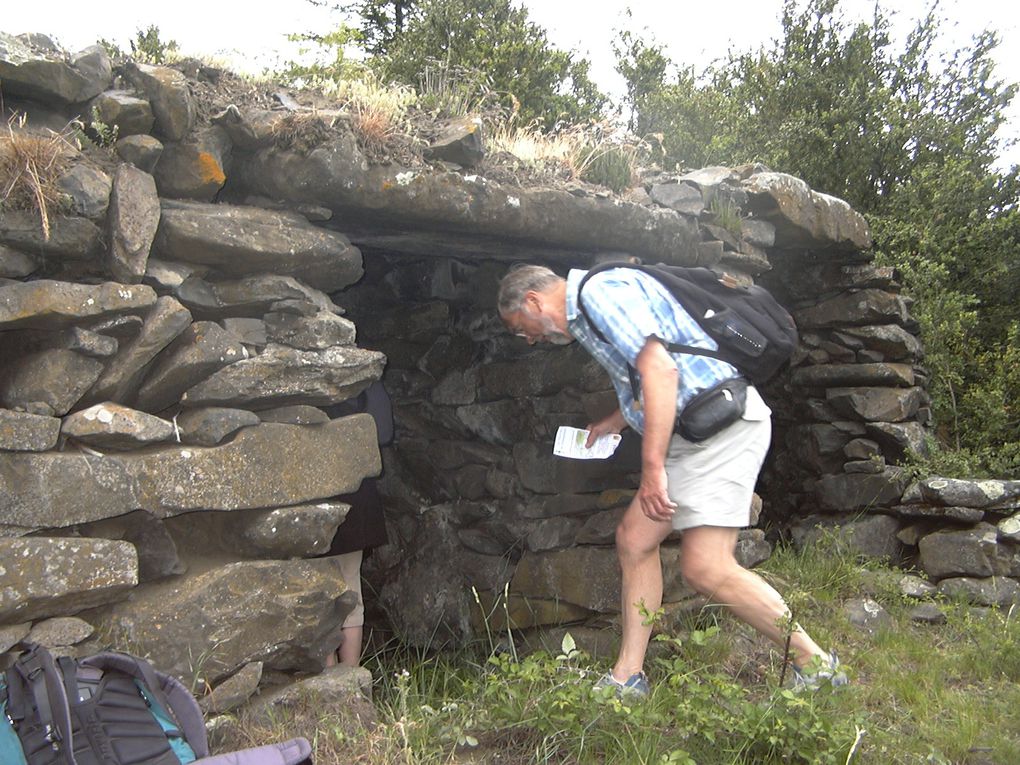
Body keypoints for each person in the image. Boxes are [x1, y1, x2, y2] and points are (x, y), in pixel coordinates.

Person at [496, 263, 846, 696]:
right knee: (634, 539)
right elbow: (665, 367)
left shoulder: (602, 294)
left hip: (723, 431)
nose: (529, 339)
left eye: (521, 329)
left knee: (705, 567)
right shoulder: (591, 309)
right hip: (699, 431)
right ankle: (629, 678)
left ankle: (816, 664)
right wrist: (617, 421)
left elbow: (662, 372)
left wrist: (652, 471)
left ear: (533, 301)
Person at [322, 378, 393, 667]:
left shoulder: (306, 382)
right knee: (350, 592)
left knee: (320, 596)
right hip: (356, 498)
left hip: (314, 500)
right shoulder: (368, 385)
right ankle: (349, 678)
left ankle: (329, 680)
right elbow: (385, 432)